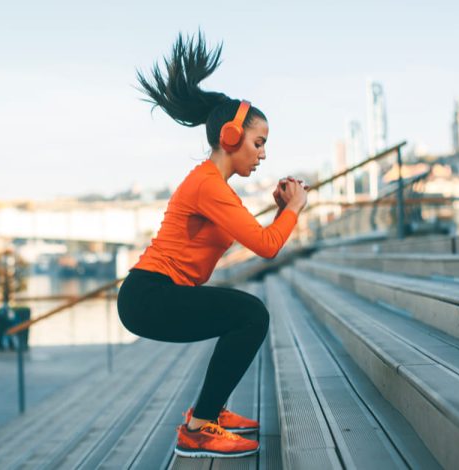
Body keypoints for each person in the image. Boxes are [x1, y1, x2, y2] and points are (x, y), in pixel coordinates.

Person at [116, 32, 308, 459]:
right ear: (230, 137)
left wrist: (282, 213)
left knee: (243, 315)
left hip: (156, 293)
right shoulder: (208, 185)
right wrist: (294, 208)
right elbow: (266, 247)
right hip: (149, 296)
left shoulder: (215, 187)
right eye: (258, 144)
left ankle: (208, 414)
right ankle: (199, 428)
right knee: (250, 314)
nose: (262, 155)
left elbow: (261, 237)